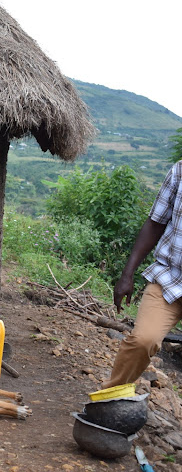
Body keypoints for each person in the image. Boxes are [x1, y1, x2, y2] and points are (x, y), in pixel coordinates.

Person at [102, 161, 182, 389]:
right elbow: (155, 222)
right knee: (143, 341)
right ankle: (109, 398)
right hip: (169, 278)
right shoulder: (179, 171)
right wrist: (127, 274)